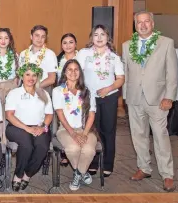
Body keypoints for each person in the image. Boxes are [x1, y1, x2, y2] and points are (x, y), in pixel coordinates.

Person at [123, 11, 178, 192]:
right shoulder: (127, 45)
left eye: (147, 22)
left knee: (160, 136)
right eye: (139, 22)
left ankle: (167, 174)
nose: (143, 25)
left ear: (152, 24)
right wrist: (125, 97)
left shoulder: (166, 43)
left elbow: (172, 72)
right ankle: (144, 168)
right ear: (135, 25)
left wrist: (169, 96)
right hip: (134, 97)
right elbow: (126, 72)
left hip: (158, 98)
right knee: (138, 135)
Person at [76, 24, 124, 178]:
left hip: (108, 97)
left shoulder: (114, 57)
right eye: (96, 35)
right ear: (92, 38)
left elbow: (120, 79)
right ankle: (93, 163)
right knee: (91, 131)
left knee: (108, 131)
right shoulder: (84, 54)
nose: (99, 38)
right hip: (89, 98)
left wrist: (107, 89)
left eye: (102, 34)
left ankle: (108, 164)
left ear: (107, 37)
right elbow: (76, 73)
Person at [5, 63, 53, 192]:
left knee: (43, 146)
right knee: (27, 145)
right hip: (17, 127)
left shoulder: (43, 94)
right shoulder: (14, 93)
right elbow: (9, 115)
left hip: (39, 127)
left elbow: (49, 114)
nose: (31, 78)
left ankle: (28, 174)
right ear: (22, 75)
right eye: (27, 74)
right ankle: (18, 174)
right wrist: (27, 128)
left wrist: (43, 126)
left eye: (34, 75)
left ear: (37, 77)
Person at [52, 59, 97, 191]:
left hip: (86, 129)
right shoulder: (58, 91)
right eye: (69, 69)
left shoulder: (87, 91)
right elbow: (60, 114)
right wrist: (72, 133)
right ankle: (83, 172)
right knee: (73, 149)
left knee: (88, 150)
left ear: (80, 73)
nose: (73, 72)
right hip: (65, 130)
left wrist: (83, 134)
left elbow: (91, 114)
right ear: (65, 72)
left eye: (76, 69)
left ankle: (78, 174)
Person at [0, 28, 19, 139]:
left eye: (6, 38)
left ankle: (7, 138)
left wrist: (15, 81)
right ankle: (0, 139)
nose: (3, 40)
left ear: (9, 40)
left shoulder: (15, 55)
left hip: (10, 88)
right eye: (0, 38)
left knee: (9, 114)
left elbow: (18, 73)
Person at [55, 33, 78, 167]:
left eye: (71, 42)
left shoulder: (81, 57)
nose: (68, 45)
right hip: (62, 95)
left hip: (78, 95)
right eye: (65, 43)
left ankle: (77, 151)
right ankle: (65, 154)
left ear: (75, 44)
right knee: (63, 123)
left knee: (77, 122)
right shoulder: (58, 59)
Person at [18, 25, 57, 92]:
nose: (39, 39)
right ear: (31, 36)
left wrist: (34, 88)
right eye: (37, 35)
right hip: (25, 89)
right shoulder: (23, 54)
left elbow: (52, 79)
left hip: (43, 89)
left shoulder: (50, 54)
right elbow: (20, 75)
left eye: (43, 36)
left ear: (45, 38)